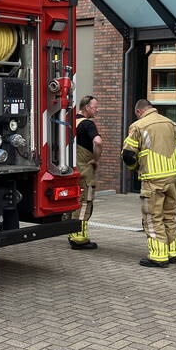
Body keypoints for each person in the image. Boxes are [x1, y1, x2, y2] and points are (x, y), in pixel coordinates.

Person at [121, 99, 176, 267]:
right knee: (169, 216)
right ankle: (172, 252)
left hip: (153, 179)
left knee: (153, 218)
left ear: (139, 111)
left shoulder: (138, 126)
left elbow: (128, 154)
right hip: (173, 177)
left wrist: (135, 167)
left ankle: (158, 256)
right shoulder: (170, 123)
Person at [68, 95, 103, 250]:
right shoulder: (88, 124)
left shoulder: (70, 121)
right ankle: (78, 238)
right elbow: (98, 141)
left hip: (71, 169)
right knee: (84, 202)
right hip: (84, 170)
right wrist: (96, 158)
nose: (97, 110)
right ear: (87, 107)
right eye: (95, 107)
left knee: (75, 202)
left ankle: (72, 233)